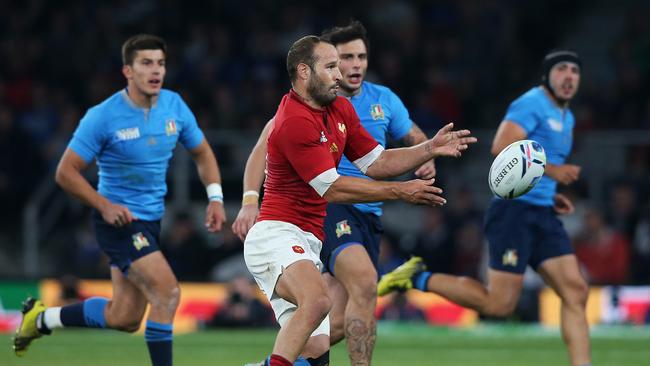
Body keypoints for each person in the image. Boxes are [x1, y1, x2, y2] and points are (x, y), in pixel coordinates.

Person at [242, 35, 475, 366]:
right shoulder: (293, 121)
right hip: (276, 235)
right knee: (319, 300)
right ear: (304, 72)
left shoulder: (339, 109)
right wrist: (400, 191)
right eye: (332, 66)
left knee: (315, 354)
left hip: (307, 240)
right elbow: (331, 188)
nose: (340, 73)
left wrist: (428, 148)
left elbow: (376, 163)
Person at [12, 34, 227, 366]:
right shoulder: (103, 116)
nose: (155, 70)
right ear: (128, 71)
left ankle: (41, 320)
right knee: (167, 293)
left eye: (161, 63)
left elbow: (202, 153)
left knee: (123, 317)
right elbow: (65, 172)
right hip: (118, 221)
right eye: (146, 63)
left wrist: (215, 198)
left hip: (151, 221)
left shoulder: (174, 106)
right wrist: (104, 205)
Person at [378, 50, 592, 366]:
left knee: (575, 290)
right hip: (513, 213)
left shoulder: (567, 117)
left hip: (543, 212)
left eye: (575, 70)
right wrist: (555, 172)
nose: (569, 76)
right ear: (547, 76)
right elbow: (502, 147)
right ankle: (417, 278)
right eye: (562, 69)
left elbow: (530, 167)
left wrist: (550, 192)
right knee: (499, 304)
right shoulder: (531, 103)